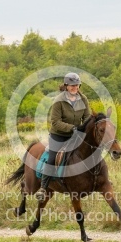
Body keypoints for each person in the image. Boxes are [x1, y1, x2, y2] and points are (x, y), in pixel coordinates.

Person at [35, 72, 91, 201]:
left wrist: (86, 128)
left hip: (76, 135)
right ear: (66, 86)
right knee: (52, 157)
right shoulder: (59, 100)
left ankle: (99, 178)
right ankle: (43, 187)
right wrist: (72, 128)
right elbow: (55, 122)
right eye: (72, 86)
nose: (74, 88)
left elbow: (87, 117)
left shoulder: (83, 99)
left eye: (76, 85)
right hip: (59, 135)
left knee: (91, 150)